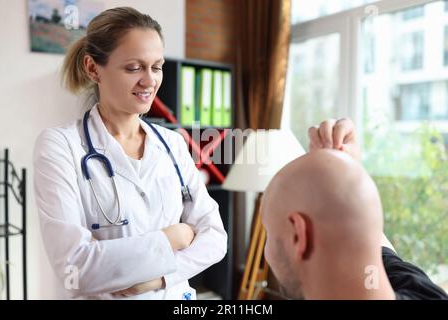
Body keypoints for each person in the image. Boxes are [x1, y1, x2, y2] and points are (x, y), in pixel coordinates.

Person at [33, 7, 227, 300]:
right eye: (134, 68)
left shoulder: (172, 145)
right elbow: (75, 268)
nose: (149, 81)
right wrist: (172, 237)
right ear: (93, 68)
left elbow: (215, 237)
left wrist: (161, 277)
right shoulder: (60, 146)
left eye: (157, 66)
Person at [260, 118, 448, 299]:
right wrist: (342, 173)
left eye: (268, 231)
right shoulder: (425, 292)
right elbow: (359, 233)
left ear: (298, 235)